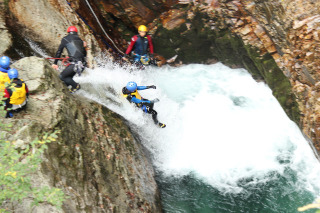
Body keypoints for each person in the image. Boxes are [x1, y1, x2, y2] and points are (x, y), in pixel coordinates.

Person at [52, 26, 87, 93]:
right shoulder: (80, 40)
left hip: (75, 64)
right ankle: (66, 90)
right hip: (82, 64)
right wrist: (84, 47)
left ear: (68, 32)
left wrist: (55, 63)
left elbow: (59, 51)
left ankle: (76, 86)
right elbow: (83, 54)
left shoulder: (65, 39)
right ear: (76, 32)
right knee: (68, 78)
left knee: (62, 76)